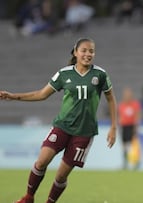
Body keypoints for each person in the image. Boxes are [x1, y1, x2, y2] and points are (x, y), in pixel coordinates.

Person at [0, 38, 117, 203]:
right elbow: (41, 94)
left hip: (84, 133)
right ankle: (28, 197)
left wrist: (113, 127)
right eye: (84, 50)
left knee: (61, 176)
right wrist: (14, 96)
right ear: (75, 52)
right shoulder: (64, 74)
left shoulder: (100, 74)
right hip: (62, 126)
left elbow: (111, 99)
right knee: (41, 162)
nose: (88, 54)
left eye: (91, 51)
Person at [117, 87, 141, 169]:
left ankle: (135, 163)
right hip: (124, 127)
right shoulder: (121, 105)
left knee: (133, 147)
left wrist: (135, 129)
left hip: (132, 127)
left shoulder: (135, 104)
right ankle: (125, 163)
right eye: (126, 95)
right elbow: (120, 117)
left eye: (129, 95)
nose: (127, 96)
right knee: (124, 147)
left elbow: (137, 117)